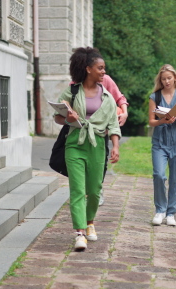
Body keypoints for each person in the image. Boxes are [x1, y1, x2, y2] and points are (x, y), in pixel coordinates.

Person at [54, 47, 121, 251]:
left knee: (94, 191)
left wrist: (115, 146)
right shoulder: (72, 91)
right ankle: (80, 233)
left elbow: (113, 124)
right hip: (75, 143)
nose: (103, 72)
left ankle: (90, 221)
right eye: (100, 68)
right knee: (78, 190)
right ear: (88, 69)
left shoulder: (107, 96)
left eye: (104, 68)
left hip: (98, 145)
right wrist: (68, 118)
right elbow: (57, 116)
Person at [148, 64, 176, 226]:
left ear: (175, 78)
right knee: (159, 175)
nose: (167, 81)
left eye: (169, 78)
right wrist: (163, 120)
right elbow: (151, 121)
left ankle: (171, 213)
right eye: (163, 79)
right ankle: (160, 209)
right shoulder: (155, 97)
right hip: (159, 141)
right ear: (160, 80)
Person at [99, 75, 129, 206]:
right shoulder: (76, 82)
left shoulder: (105, 80)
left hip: (101, 132)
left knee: (100, 163)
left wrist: (125, 112)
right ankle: (84, 191)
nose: (102, 71)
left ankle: (96, 190)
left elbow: (120, 98)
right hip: (80, 131)